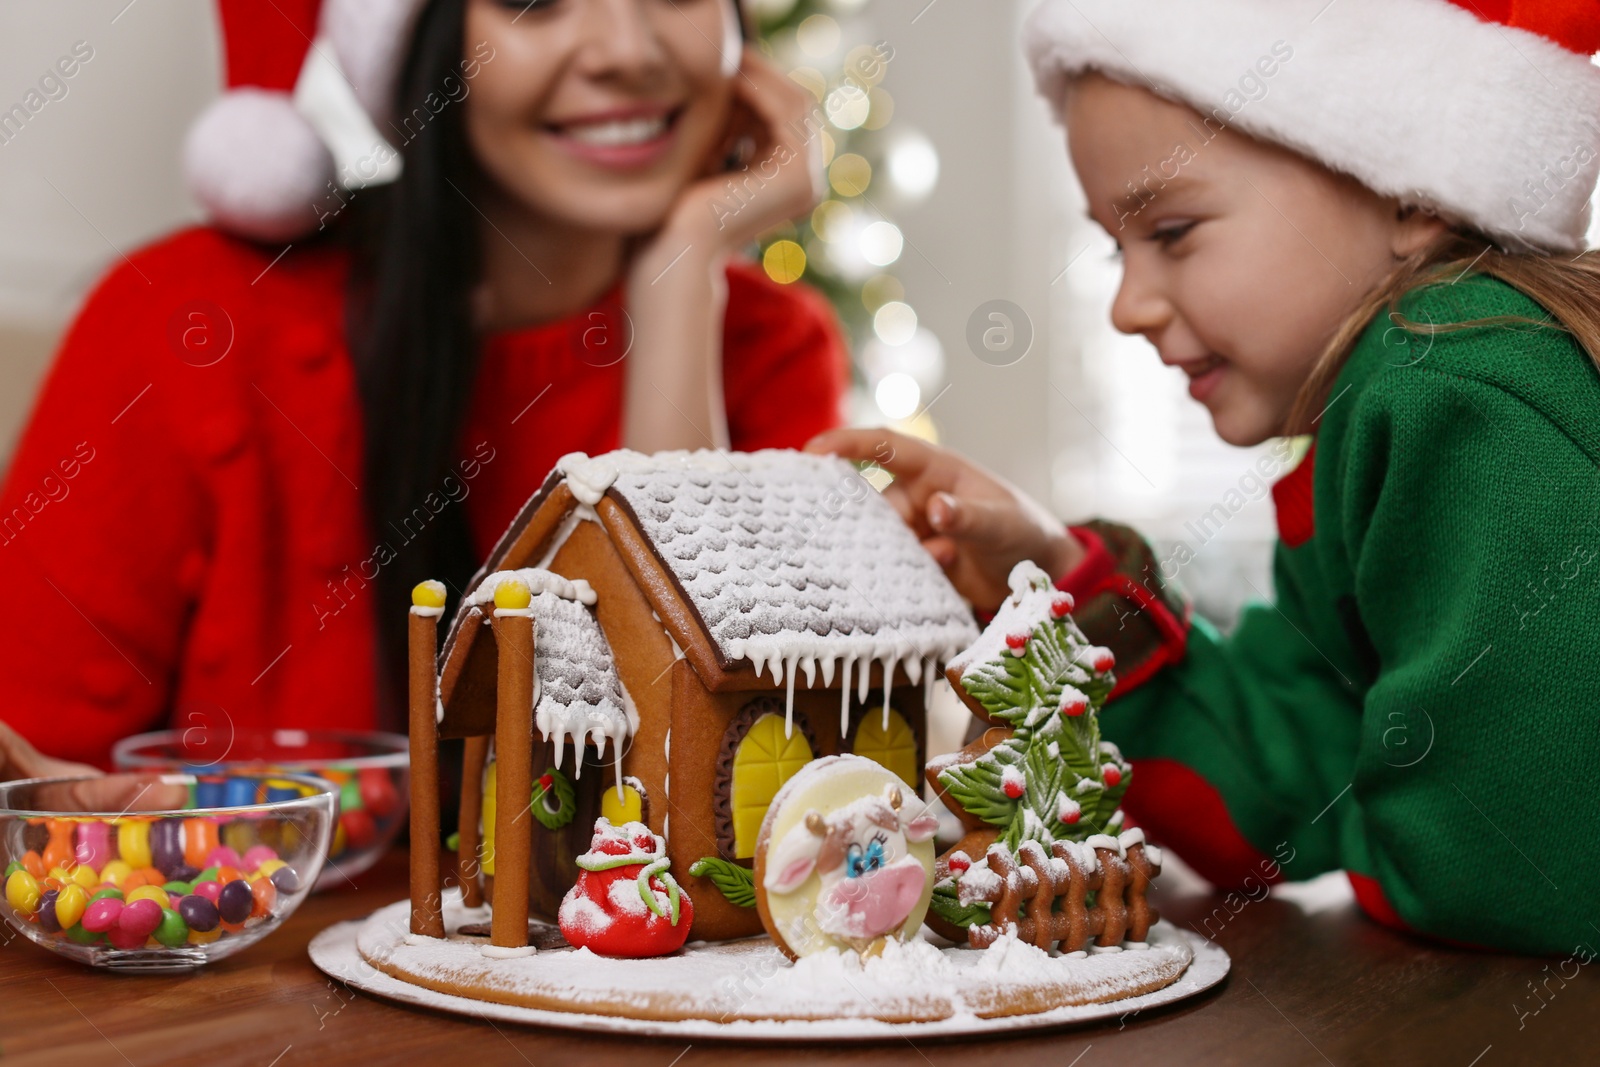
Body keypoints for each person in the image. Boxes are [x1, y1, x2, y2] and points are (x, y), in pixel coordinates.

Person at [814, 0, 1600, 955]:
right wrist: (1067, 574)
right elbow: (1287, 782)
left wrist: (1360, 829)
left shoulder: (1451, 392)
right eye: (1116, 245)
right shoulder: (1377, 412)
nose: (1126, 306)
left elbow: (1515, 873)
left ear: (1409, 195)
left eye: (1174, 232)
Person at [0, 0, 845, 769]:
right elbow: (29, 773)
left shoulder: (766, 346)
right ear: (423, 44)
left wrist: (682, 268)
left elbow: (721, 788)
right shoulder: (191, 325)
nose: (626, 50)